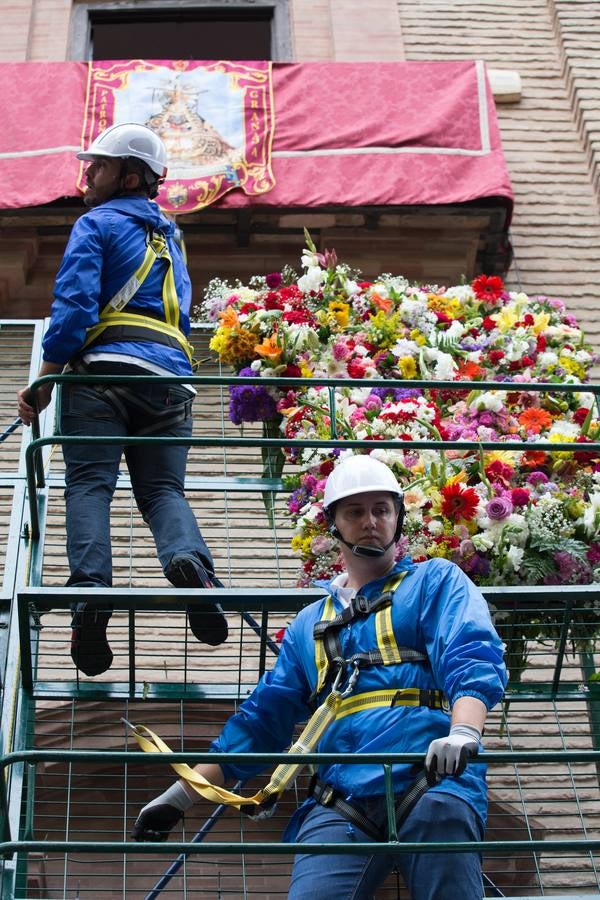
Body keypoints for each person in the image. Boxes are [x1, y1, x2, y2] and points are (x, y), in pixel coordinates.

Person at [132, 454, 507, 899]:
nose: (370, 521)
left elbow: (470, 651)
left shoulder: (433, 582)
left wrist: (464, 730)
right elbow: (261, 721)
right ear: (333, 523)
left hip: (431, 780)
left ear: (398, 518)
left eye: (381, 509)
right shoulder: (310, 624)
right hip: (341, 800)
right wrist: (181, 796)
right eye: (355, 511)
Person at [17, 122, 227, 677]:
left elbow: (75, 307)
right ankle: (191, 566)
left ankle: (91, 595)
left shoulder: (95, 223)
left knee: (89, 484)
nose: (87, 174)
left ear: (130, 176)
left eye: (100, 166)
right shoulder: (170, 236)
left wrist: (44, 380)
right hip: (170, 382)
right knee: (161, 489)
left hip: (103, 376)